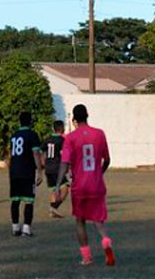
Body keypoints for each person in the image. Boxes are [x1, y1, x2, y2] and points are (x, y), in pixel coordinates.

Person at [54, 104, 115, 266]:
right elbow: (107, 160)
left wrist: (58, 184)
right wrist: (99, 173)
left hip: (79, 186)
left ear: (74, 119)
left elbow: (65, 163)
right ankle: (105, 240)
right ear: (87, 115)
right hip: (96, 185)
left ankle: (86, 257)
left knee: (80, 220)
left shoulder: (71, 138)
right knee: (97, 219)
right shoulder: (99, 134)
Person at [9, 112, 44, 237]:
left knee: (15, 200)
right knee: (29, 200)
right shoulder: (32, 135)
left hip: (14, 171)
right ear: (30, 121)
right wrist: (40, 171)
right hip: (27, 171)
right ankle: (26, 229)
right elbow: (35, 154)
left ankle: (15, 228)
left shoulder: (14, 135)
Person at [42, 120, 69, 218]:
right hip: (57, 168)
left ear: (53, 129)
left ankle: (52, 212)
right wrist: (67, 167)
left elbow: (41, 151)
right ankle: (53, 207)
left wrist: (43, 163)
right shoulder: (62, 140)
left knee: (54, 190)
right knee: (65, 188)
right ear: (62, 128)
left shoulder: (47, 139)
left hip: (48, 168)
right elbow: (64, 154)